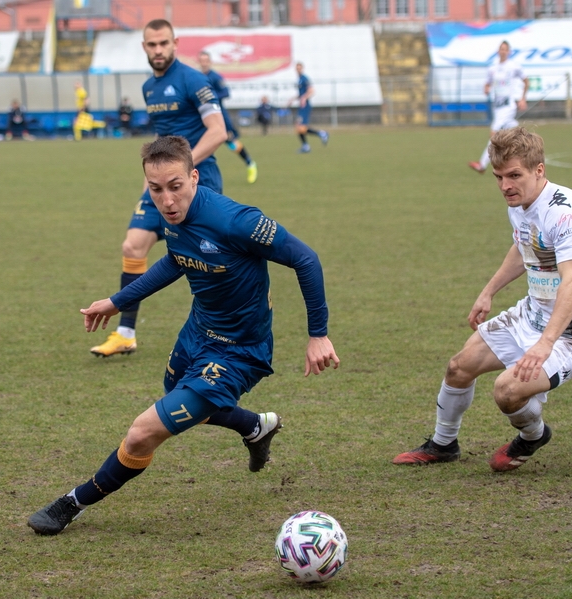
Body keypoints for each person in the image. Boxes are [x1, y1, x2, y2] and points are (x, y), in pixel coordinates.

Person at [27, 135, 340, 535]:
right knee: (178, 395)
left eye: (176, 186)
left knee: (142, 433)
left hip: (239, 351)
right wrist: (117, 301)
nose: (167, 200)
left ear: (194, 177)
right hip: (197, 333)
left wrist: (318, 334)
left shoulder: (236, 220)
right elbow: (176, 260)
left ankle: (71, 504)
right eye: (156, 190)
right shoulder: (168, 215)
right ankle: (255, 426)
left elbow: (305, 258)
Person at [394, 126, 572, 472]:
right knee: (459, 367)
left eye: (514, 175)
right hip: (530, 316)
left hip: (571, 335)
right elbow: (524, 245)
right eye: (498, 176)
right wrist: (489, 291)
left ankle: (533, 436)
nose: (505, 185)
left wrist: (544, 345)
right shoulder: (521, 202)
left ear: (540, 170)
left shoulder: (565, 213)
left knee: (507, 391)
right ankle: (443, 444)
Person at [89, 19, 227, 358]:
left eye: (164, 43)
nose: (158, 50)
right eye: (152, 45)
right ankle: (124, 334)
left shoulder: (194, 81)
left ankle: (226, 332)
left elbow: (218, 131)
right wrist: (150, 183)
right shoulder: (149, 87)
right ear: (144, 47)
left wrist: (181, 168)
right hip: (161, 183)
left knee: (209, 259)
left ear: (175, 43)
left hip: (197, 181)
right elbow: (161, 141)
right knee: (133, 245)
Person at [197, 51, 258, 184]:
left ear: (210, 62)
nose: (204, 63)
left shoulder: (215, 77)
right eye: (202, 60)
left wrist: (210, 97)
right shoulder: (196, 77)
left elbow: (226, 92)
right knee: (200, 144)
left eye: (206, 60)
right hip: (201, 118)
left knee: (231, 143)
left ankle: (250, 163)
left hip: (219, 116)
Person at [469, 41, 529, 174]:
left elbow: (526, 81)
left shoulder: (514, 67)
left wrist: (523, 99)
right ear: (498, 51)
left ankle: (482, 165)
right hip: (497, 107)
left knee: (494, 134)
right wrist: (486, 88)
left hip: (508, 106)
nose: (503, 51)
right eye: (501, 49)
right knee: (515, 132)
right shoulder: (492, 68)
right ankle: (527, 157)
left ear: (509, 52)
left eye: (505, 49)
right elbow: (488, 83)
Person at [287, 62, 328, 153]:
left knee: (300, 126)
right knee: (299, 126)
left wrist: (304, 98)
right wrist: (293, 99)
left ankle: (320, 135)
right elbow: (301, 94)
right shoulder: (299, 79)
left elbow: (312, 91)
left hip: (305, 106)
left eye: (299, 68)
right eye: (297, 68)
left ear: (302, 68)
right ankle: (307, 145)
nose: (298, 70)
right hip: (302, 106)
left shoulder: (305, 78)